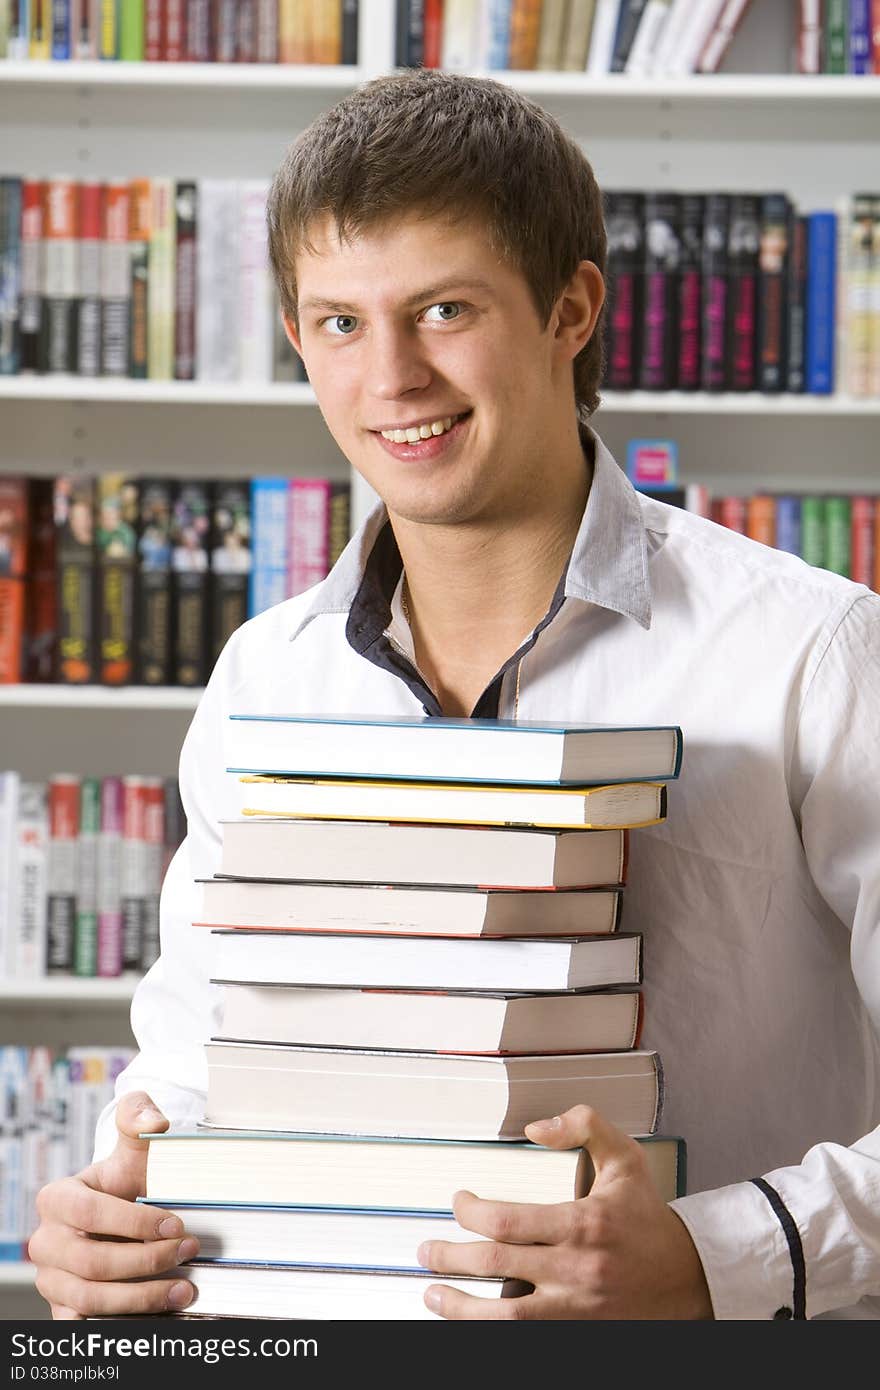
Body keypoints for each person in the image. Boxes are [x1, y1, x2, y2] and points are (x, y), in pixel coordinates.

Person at [28, 70, 880, 1321]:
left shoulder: (815, 654)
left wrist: (714, 1261)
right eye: (337, 323)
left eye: (441, 310)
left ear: (570, 308)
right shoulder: (267, 675)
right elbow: (198, 1069)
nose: (391, 379)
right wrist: (112, 1221)